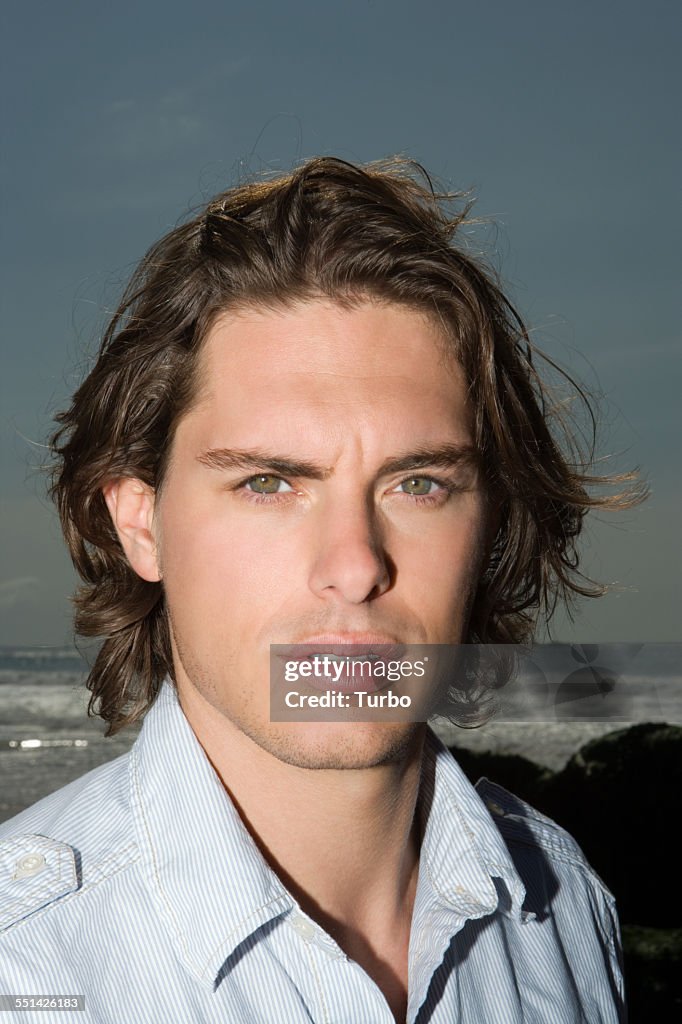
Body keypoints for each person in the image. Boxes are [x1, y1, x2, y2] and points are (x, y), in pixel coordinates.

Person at [0, 157, 635, 1023]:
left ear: (487, 524)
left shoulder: (562, 906)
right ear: (141, 524)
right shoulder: (23, 966)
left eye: (418, 484)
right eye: (268, 482)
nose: (355, 563)